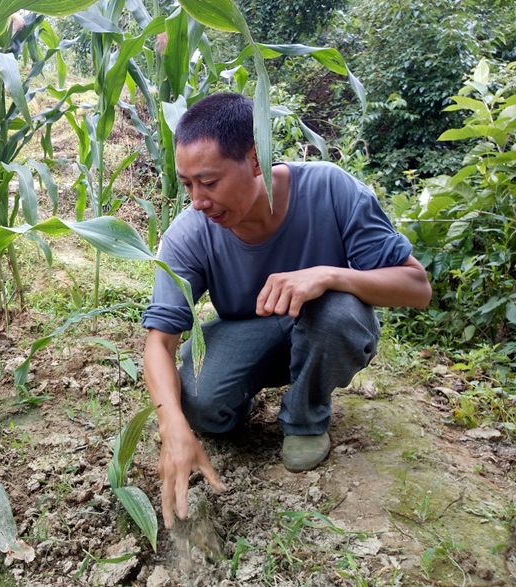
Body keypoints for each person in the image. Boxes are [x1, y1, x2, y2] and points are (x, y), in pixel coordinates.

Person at [141, 92, 432, 529]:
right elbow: (160, 342)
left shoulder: (331, 189)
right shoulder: (189, 234)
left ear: (256, 159)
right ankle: (244, 396)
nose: (197, 200)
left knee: (338, 313)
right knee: (200, 405)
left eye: (210, 182)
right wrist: (172, 426)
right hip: (251, 331)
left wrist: (329, 275)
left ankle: (306, 417)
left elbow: (417, 287)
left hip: (324, 323)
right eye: (187, 184)